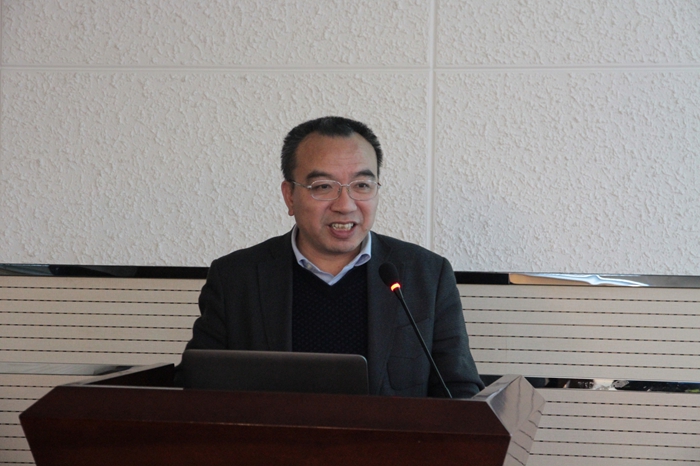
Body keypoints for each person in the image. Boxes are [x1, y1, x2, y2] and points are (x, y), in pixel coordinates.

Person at [182, 116, 484, 398]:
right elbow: (196, 389)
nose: (345, 205)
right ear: (289, 195)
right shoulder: (236, 278)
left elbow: (460, 391)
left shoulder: (426, 275)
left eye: (362, 185)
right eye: (323, 187)